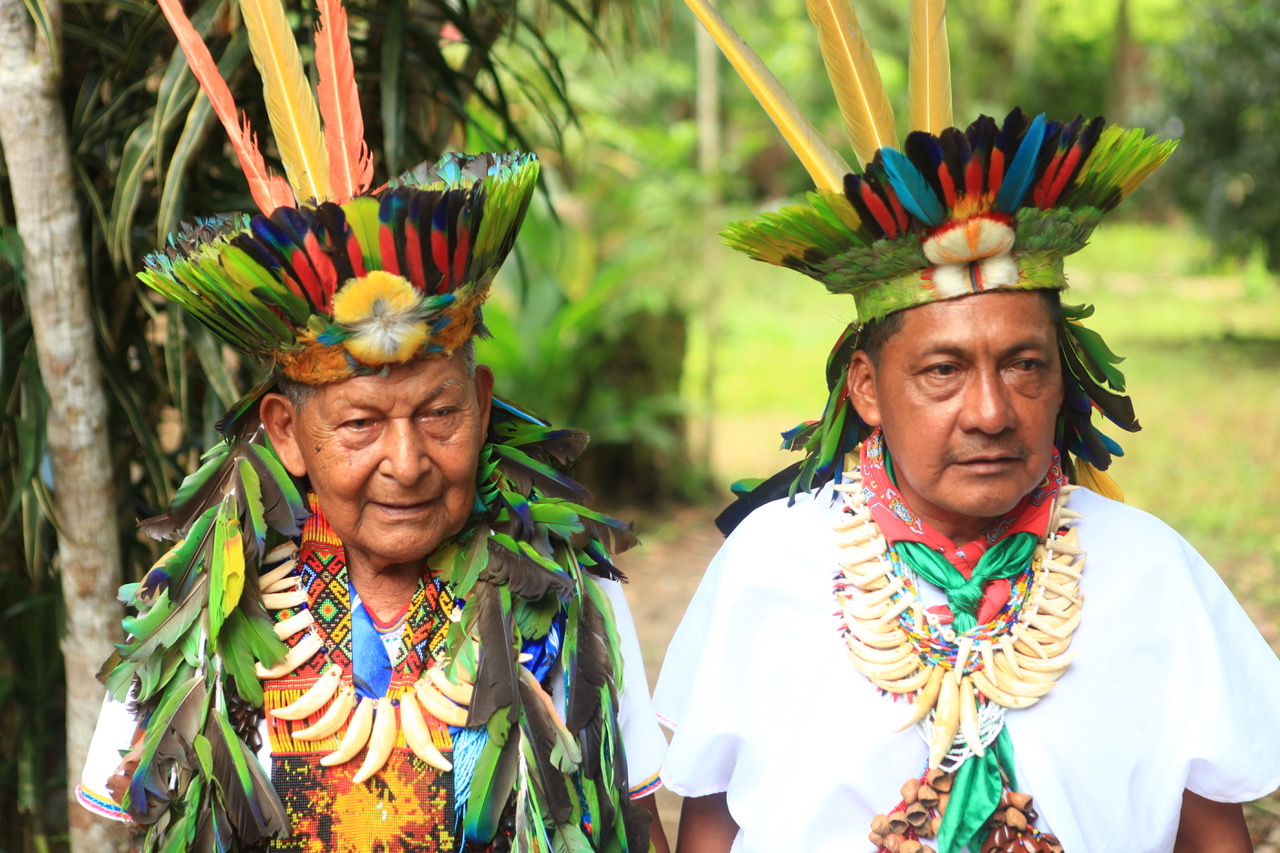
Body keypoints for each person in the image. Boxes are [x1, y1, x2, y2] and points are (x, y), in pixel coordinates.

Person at [654, 2, 1280, 852]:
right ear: (868, 388)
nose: (990, 412)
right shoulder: (770, 567)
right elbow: (711, 830)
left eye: (1024, 365)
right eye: (942, 371)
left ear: (1065, 380)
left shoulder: (1150, 573)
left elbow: (1213, 833)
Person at [73, 1, 668, 851]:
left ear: (484, 399)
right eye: (359, 424)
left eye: (439, 413)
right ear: (284, 430)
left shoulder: (568, 595)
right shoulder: (206, 609)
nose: (408, 461)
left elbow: (635, 826)